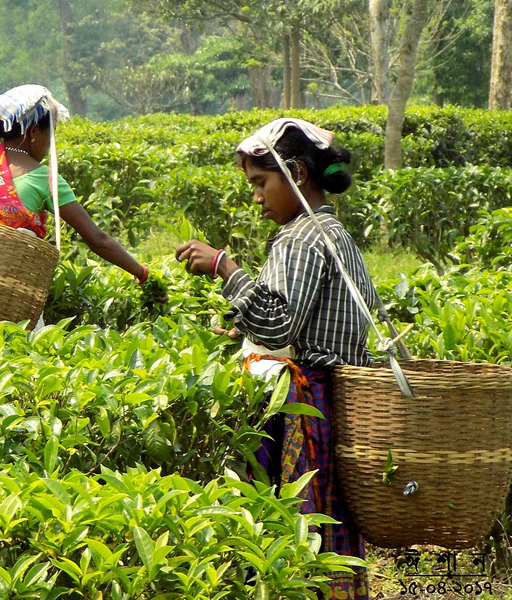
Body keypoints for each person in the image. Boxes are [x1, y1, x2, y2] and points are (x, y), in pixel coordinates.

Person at [175, 118, 372, 600]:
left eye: (261, 184)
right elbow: (299, 319)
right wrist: (241, 324)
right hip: (325, 398)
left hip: (300, 404)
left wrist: (226, 267)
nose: (257, 198)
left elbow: (280, 326)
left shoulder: (302, 238)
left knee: (288, 526)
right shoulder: (329, 231)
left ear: (298, 174)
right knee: (326, 521)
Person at [0, 84, 151, 285]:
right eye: (51, 133)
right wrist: (142, 273)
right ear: (33, 131)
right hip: (6, 288)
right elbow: (97, 239)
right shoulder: (43, 178)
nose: (50, 143)